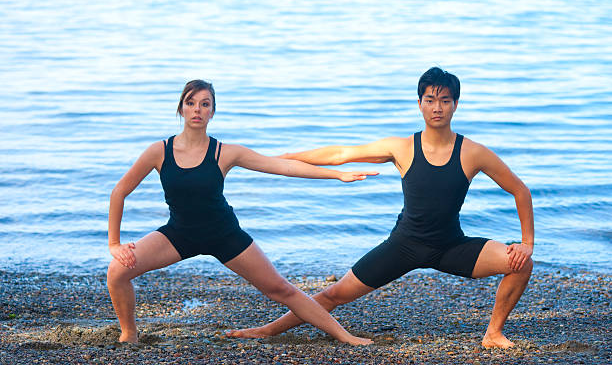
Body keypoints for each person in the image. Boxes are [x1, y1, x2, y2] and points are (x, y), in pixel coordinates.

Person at [228, 67, 534, 349]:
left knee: (521, 264)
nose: (437, 107)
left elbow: (519, 190)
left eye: (445, 100)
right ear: (419, 104)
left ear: (456, 105)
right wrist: (287, 157)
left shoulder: (473, 152)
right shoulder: (401, 148)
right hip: (404, 246)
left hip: (450, 246)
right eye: (430, 100)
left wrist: (526, 243)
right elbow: (341, 154)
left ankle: (493, 333)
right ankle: (269, 329)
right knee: (334, 295)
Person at [106, 80, 378, 345]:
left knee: (280, 289)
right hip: (179, 234)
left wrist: (337, 175)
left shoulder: (225, 153)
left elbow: (284, 167)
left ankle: (345, 336)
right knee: (117, 271)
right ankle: (129, 334)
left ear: (213, 111)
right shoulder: (159, 151)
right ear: (181, 109)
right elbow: (119, 192)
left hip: (224, 234)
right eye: (191, 103)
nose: (197, 109)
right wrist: (114, 243)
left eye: (205, 104)